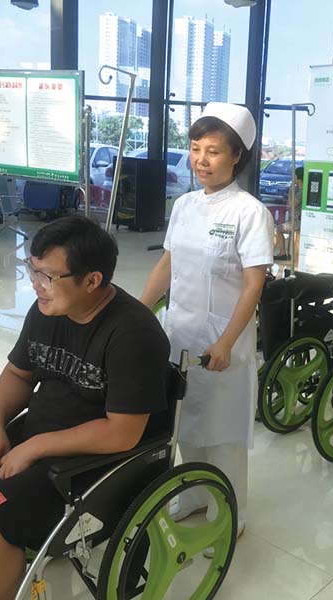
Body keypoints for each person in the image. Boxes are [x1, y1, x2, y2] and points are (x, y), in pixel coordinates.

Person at [0, 215, 170, 600]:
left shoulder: (133, 334)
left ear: (92, 280)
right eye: (33, 269)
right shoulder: (47, 311)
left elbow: (121, 432)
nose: (35, 284)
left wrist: (34, 448)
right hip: (31, 439)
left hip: (86, 471)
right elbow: (18, 374)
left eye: (48, 276)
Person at [140, 102, 274, 538]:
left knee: (223, 432)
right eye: (196, 148)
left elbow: (253, 285)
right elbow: (168, 264)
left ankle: (231, 511)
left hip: (222, 340)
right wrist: (139, 312)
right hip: (180, 332)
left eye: (213, 151)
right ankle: (194, 494)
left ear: (236, 156)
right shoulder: (183, 205)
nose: (201, 159)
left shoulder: (250, 213)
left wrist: (226, 342)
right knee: (184, 420)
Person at [273, 166, 303, 261]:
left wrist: (290, 191)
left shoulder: (301, 191)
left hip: (297, 221)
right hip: (295, 219)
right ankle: (283, 253)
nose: (293, 178)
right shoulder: (299, 190)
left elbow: (291, 204)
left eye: (294, 176)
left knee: (278, 229)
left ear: (299, 178)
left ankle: (282, 252)